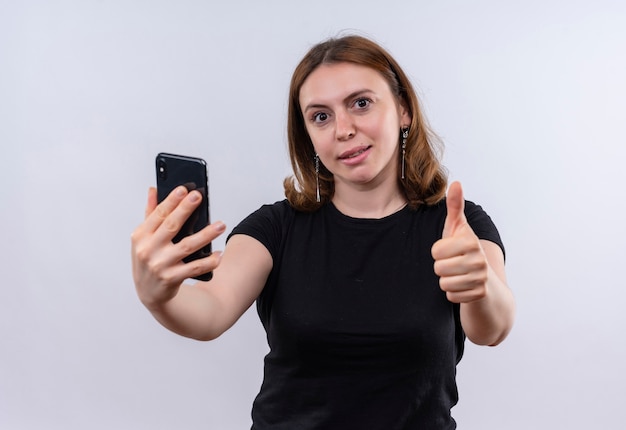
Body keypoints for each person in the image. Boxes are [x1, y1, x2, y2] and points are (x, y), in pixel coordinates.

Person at [131, 34, 515, 429]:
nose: (343, 129)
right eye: (321, 116)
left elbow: (493, 328)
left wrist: (480, 285)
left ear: (403, 110)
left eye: (361, 104)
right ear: (309, 136)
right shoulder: (273, 229)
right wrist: (158, 296)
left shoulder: (459, 227)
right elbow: (209, 311)